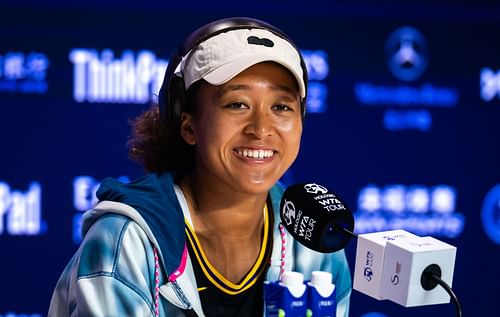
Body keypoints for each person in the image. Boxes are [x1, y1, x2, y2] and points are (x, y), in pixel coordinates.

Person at [48, 17, 352, 316]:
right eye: (237, 104)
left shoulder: (312, 239)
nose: (261, 128)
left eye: (281, 107)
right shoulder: (125, 240)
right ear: (188, 125)